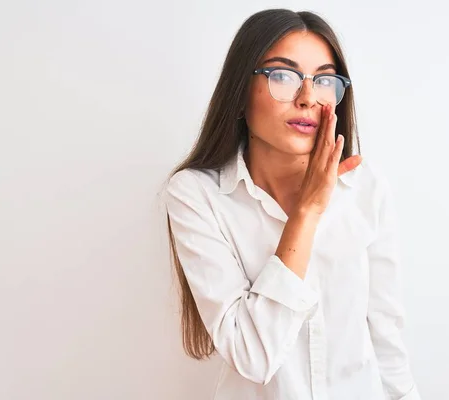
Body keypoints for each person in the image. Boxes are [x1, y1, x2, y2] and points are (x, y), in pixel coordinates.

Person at [165, 8, 421, 400]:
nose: (307, 98)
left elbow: (386, 335)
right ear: (239, 92)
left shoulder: (365, 188)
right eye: (282, 76)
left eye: (323, 80)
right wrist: (306, 213)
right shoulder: (196, 195)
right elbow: (253, 356)